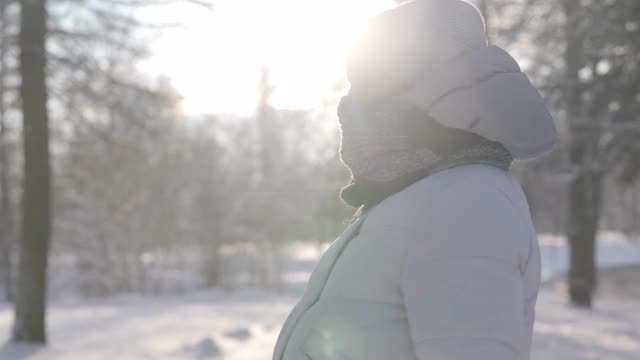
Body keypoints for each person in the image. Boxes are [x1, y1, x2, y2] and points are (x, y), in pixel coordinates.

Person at [273, 0, 557, 359]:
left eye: (372, 84)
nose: (352, 104)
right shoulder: (417, 196)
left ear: (430, 91)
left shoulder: (465, 205)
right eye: (355, 85)